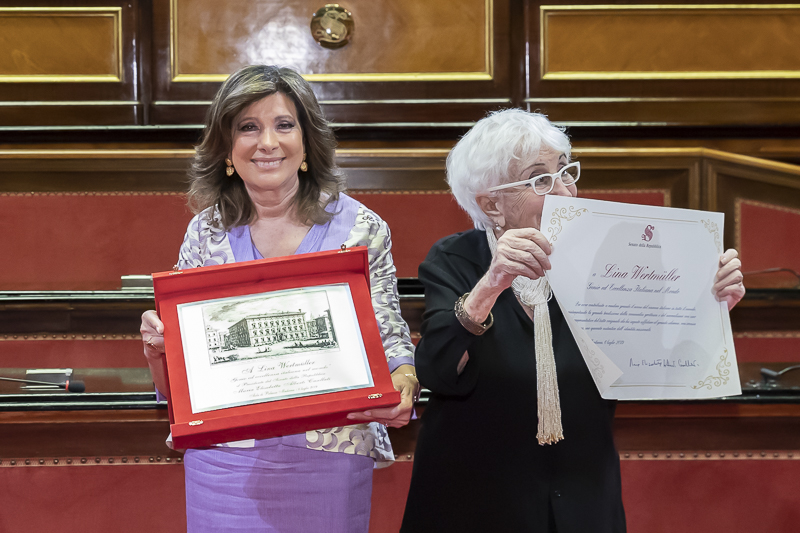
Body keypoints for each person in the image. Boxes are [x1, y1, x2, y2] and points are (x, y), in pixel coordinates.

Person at [400, 109, 745, 533]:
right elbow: (437, 370)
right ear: (493, 204)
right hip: (475, 503)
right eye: (540, 179)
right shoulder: (454, 260)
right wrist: (491, 284)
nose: (565, 190)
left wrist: (709, 308)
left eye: (565, 172)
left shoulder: (608, 259)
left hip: (583, 500)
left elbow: (651, 364)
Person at [139, 65, 418, 533]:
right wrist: (156, 348)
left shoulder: (362, 229)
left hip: (331, 455)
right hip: (223, 460)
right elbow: (177, 387)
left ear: (307, 142)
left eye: (283, 125)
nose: (267, 142)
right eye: (248, 127)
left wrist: (405, 385)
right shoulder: (206, 232)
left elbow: (390, 338)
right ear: (227, 150)